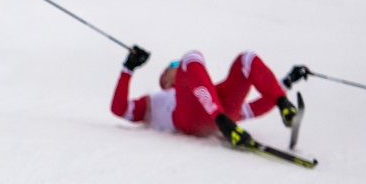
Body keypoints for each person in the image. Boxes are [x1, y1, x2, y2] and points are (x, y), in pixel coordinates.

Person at [111, 46, 298, 146]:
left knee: (246, 58)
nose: (177, 66)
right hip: (190, 117)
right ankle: (221, 119)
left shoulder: (207, 92)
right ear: (165, 78)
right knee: (192, 56)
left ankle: (283, 103)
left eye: (178, 65)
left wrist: (286, 83)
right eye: (172, 66)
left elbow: (253, 109)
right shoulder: (155, 100)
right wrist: (128, 68)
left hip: (219, 114)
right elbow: (119, 109)